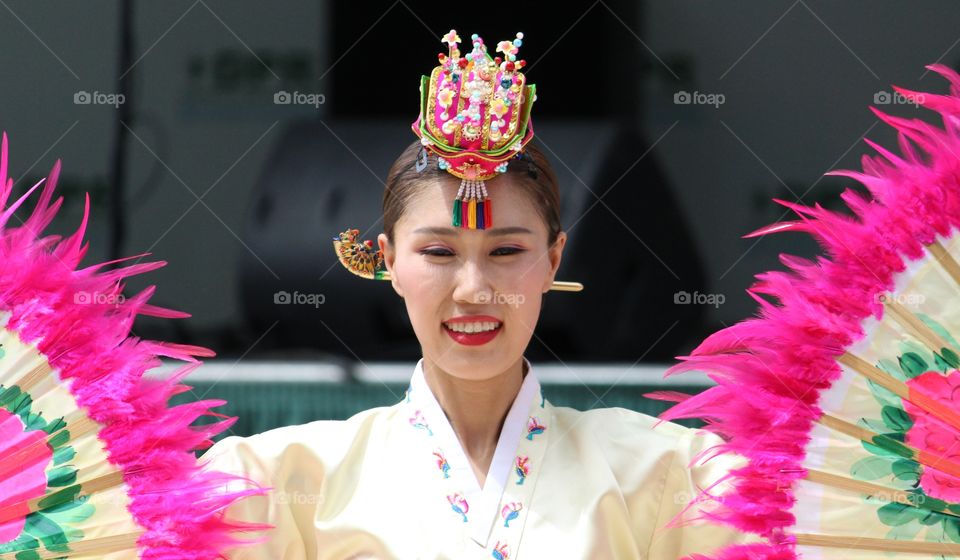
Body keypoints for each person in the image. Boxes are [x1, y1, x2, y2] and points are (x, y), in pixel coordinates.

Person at [200, 29, 758, 559]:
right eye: (439, 254)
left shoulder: (668, 475)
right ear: (389, 261)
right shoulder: (280, 482)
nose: (473, 289)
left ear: (554, 260)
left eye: (507, 252)